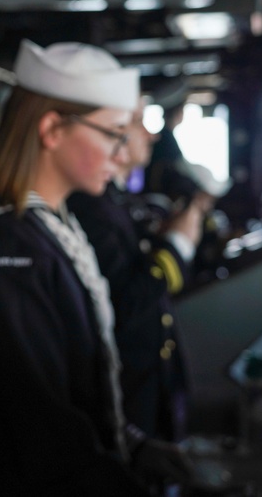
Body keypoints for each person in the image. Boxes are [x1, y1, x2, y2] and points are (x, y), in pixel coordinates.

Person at [0, 39, 191, 496]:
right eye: (113, 132)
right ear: (52, 129)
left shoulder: (49, 225)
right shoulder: (8, 249)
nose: (121, 152)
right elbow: (42, 426)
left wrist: (135, 447)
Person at [67, 98, 213, 443]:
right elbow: (124, 303)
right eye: (131, 122)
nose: (149, 134)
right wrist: (177, 246)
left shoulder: (114, 203)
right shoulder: (90, 208)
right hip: (128, 383)